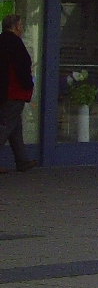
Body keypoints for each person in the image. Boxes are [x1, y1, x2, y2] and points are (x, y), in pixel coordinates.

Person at [0, 14, 36, 172]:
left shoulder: (2, 41)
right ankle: (22, 161)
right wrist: (29, 85)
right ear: (15, 26)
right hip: (14, 91)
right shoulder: (15, 43)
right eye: (21, 25)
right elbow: (22, 68)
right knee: (6, 125)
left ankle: (22, 160)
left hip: (5, 91)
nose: (22, 28)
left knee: (15, 127)